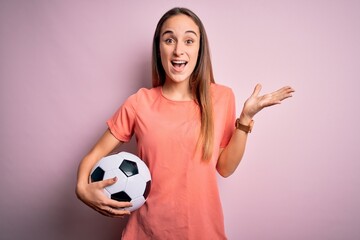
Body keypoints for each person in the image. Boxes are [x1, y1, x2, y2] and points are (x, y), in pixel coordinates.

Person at [76, 7, 294, 239]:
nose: (179, 50)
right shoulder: (139, 103)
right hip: (145, 233)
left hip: (203, 233)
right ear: (159, 47)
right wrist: (82, 189)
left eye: (189, 40)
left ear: (200, 49)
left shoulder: (221, 98)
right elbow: (94, 155)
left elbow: (225, 168)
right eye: (169, 40)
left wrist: (246, 120)